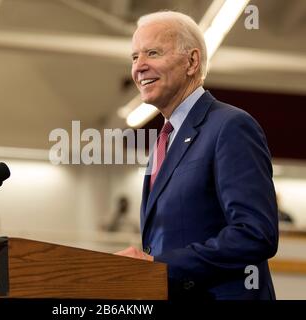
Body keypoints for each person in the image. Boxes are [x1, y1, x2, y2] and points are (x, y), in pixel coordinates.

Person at [115, 11, 279, 300]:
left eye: (152, 53)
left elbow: (255, 233)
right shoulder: (165, 140)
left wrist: (159, 266)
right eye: (134, 57)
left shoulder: (230, 126)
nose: (139, 66)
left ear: (191, 62)